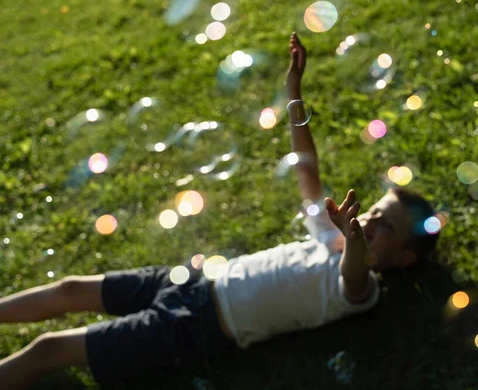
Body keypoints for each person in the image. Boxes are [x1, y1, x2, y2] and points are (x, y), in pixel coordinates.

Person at [0, 32, 439, 389]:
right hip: (189, 280)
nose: (368, 222)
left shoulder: (359, 291)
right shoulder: (331, 236)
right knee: (72, 287)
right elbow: (307, 170)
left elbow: (354, 270)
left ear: (402, 258)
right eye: (374, 212)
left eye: (384, 228)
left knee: (48, 349)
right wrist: (293, 94)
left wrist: (357, 242)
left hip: (194, 326)